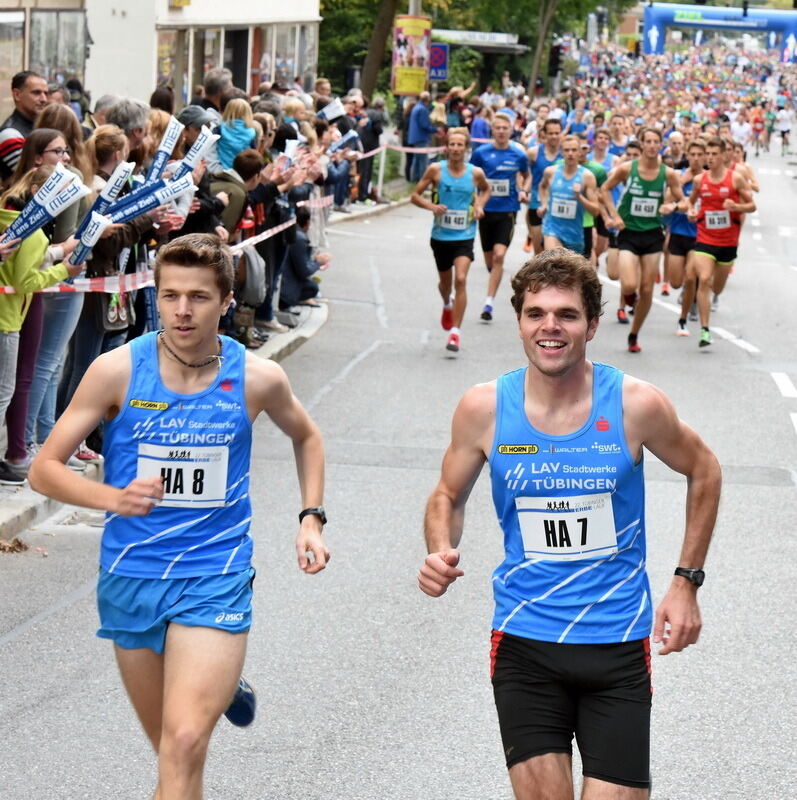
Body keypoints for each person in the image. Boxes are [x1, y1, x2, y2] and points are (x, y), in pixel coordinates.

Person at [29, 233, 329, 799]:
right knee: (172, 754)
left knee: (186, 739)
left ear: (225, 299)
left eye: (197, 297)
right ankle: (219, 682)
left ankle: (212, 667)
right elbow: (45, 469)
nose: (182, 311)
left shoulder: (257, 379)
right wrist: (112, 499)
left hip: (214, 575)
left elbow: (307, 436)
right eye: (169, 296)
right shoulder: (116, 370)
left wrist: (311, 516)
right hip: (132, 576)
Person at [418, 248, 721, 800]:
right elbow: (447, 494)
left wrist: (685, 582)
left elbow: (704, 470)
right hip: (525, 640)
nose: (550, 327)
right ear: (519, 323)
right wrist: (440, 547)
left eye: (567, 315)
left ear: (592, 325)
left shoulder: (634, 405)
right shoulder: (484, 408)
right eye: (536, 313)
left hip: (617, 645)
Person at [601, 127, 684, 353]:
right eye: (647, 141)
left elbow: (684, 202)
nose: (651, 145)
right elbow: (604, 189)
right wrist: (614, 215)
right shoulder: (627, 169)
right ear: (641, 144)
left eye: (655, 141)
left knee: (647, 289)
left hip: (652, 234)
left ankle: (634, 333)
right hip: (628, 232)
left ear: (660, 145)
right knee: (628, 284)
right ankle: (629, 298)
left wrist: (673, 206)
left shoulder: (667, 174)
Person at [411, 127, 490, 353]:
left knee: (462, 279)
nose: (455, 149)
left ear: (466, 148)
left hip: (465, 235)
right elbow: (414, 196)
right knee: (445, 284)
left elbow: (486, 190)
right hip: (440, 236)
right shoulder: (436, 170)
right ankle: (447, 304)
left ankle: (455, 333)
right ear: (447, 148)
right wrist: (432, 206)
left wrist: (479, 206)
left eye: (460, 145)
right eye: (452, 145)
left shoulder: (475, 173)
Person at [680, 137, 755, 347]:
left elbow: (752, 206)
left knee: (717, 288)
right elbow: (690, 202)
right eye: (708, 154)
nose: (710, 158)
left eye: (714, 154)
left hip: (729, 242)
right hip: (705, 238)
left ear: (723, 155)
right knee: (703, 279)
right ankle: (705, 330)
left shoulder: (736, 179)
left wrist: (736, 207)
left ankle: (710, 300)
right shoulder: (699, 180)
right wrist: (691, 211)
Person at [470, 113, 530, 322]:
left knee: (498, 255)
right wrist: (476, 203)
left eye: (505, 128)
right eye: (498, 128)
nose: (502, 131)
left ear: (511, 130)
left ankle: (488, 303)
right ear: (492, 130)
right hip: (486, 212)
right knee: (490, 260)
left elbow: (526, 174)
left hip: (508, 211)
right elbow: (472, 176)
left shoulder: (518, 154)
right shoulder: (481, 153)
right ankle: (495, 275)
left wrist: (523, 189)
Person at [537, 134, 600, 255]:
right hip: (552, 228)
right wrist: (544, 204)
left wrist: (580, 197)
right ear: (561, 152)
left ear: (579, 152)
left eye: (574, 150)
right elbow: (542, 187)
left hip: (575, 234)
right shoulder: (551, 172)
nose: (570, 153)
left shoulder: (587, 177)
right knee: (554, 259)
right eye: (566, 150)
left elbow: (596, 211)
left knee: (570, 272)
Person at [526, 118, 562, 255]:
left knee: (553, 251)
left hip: (557, 206)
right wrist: (523, 190)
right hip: (536, 204)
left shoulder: (566, 153)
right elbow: (523, 172)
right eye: (551, 133)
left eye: (557, 133)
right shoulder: (533, 152)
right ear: (544, 134)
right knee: (539, 252)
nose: (554, 136)